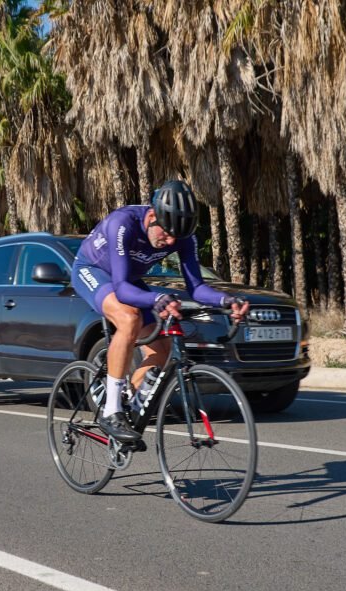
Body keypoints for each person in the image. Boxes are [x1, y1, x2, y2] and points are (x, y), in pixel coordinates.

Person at [71, 179, 250, 443]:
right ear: (153, 215)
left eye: (175, 239)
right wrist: (158, 298)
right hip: (93, 271)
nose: (168, 243)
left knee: (163, 350)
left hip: (129, 280)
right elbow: (120, 289)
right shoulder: (123, 223)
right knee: (129, 319)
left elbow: (197, 287)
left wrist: (226, 301)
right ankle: (111, 410)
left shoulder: (181, 237)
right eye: (165, 234)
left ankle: (129, 405)